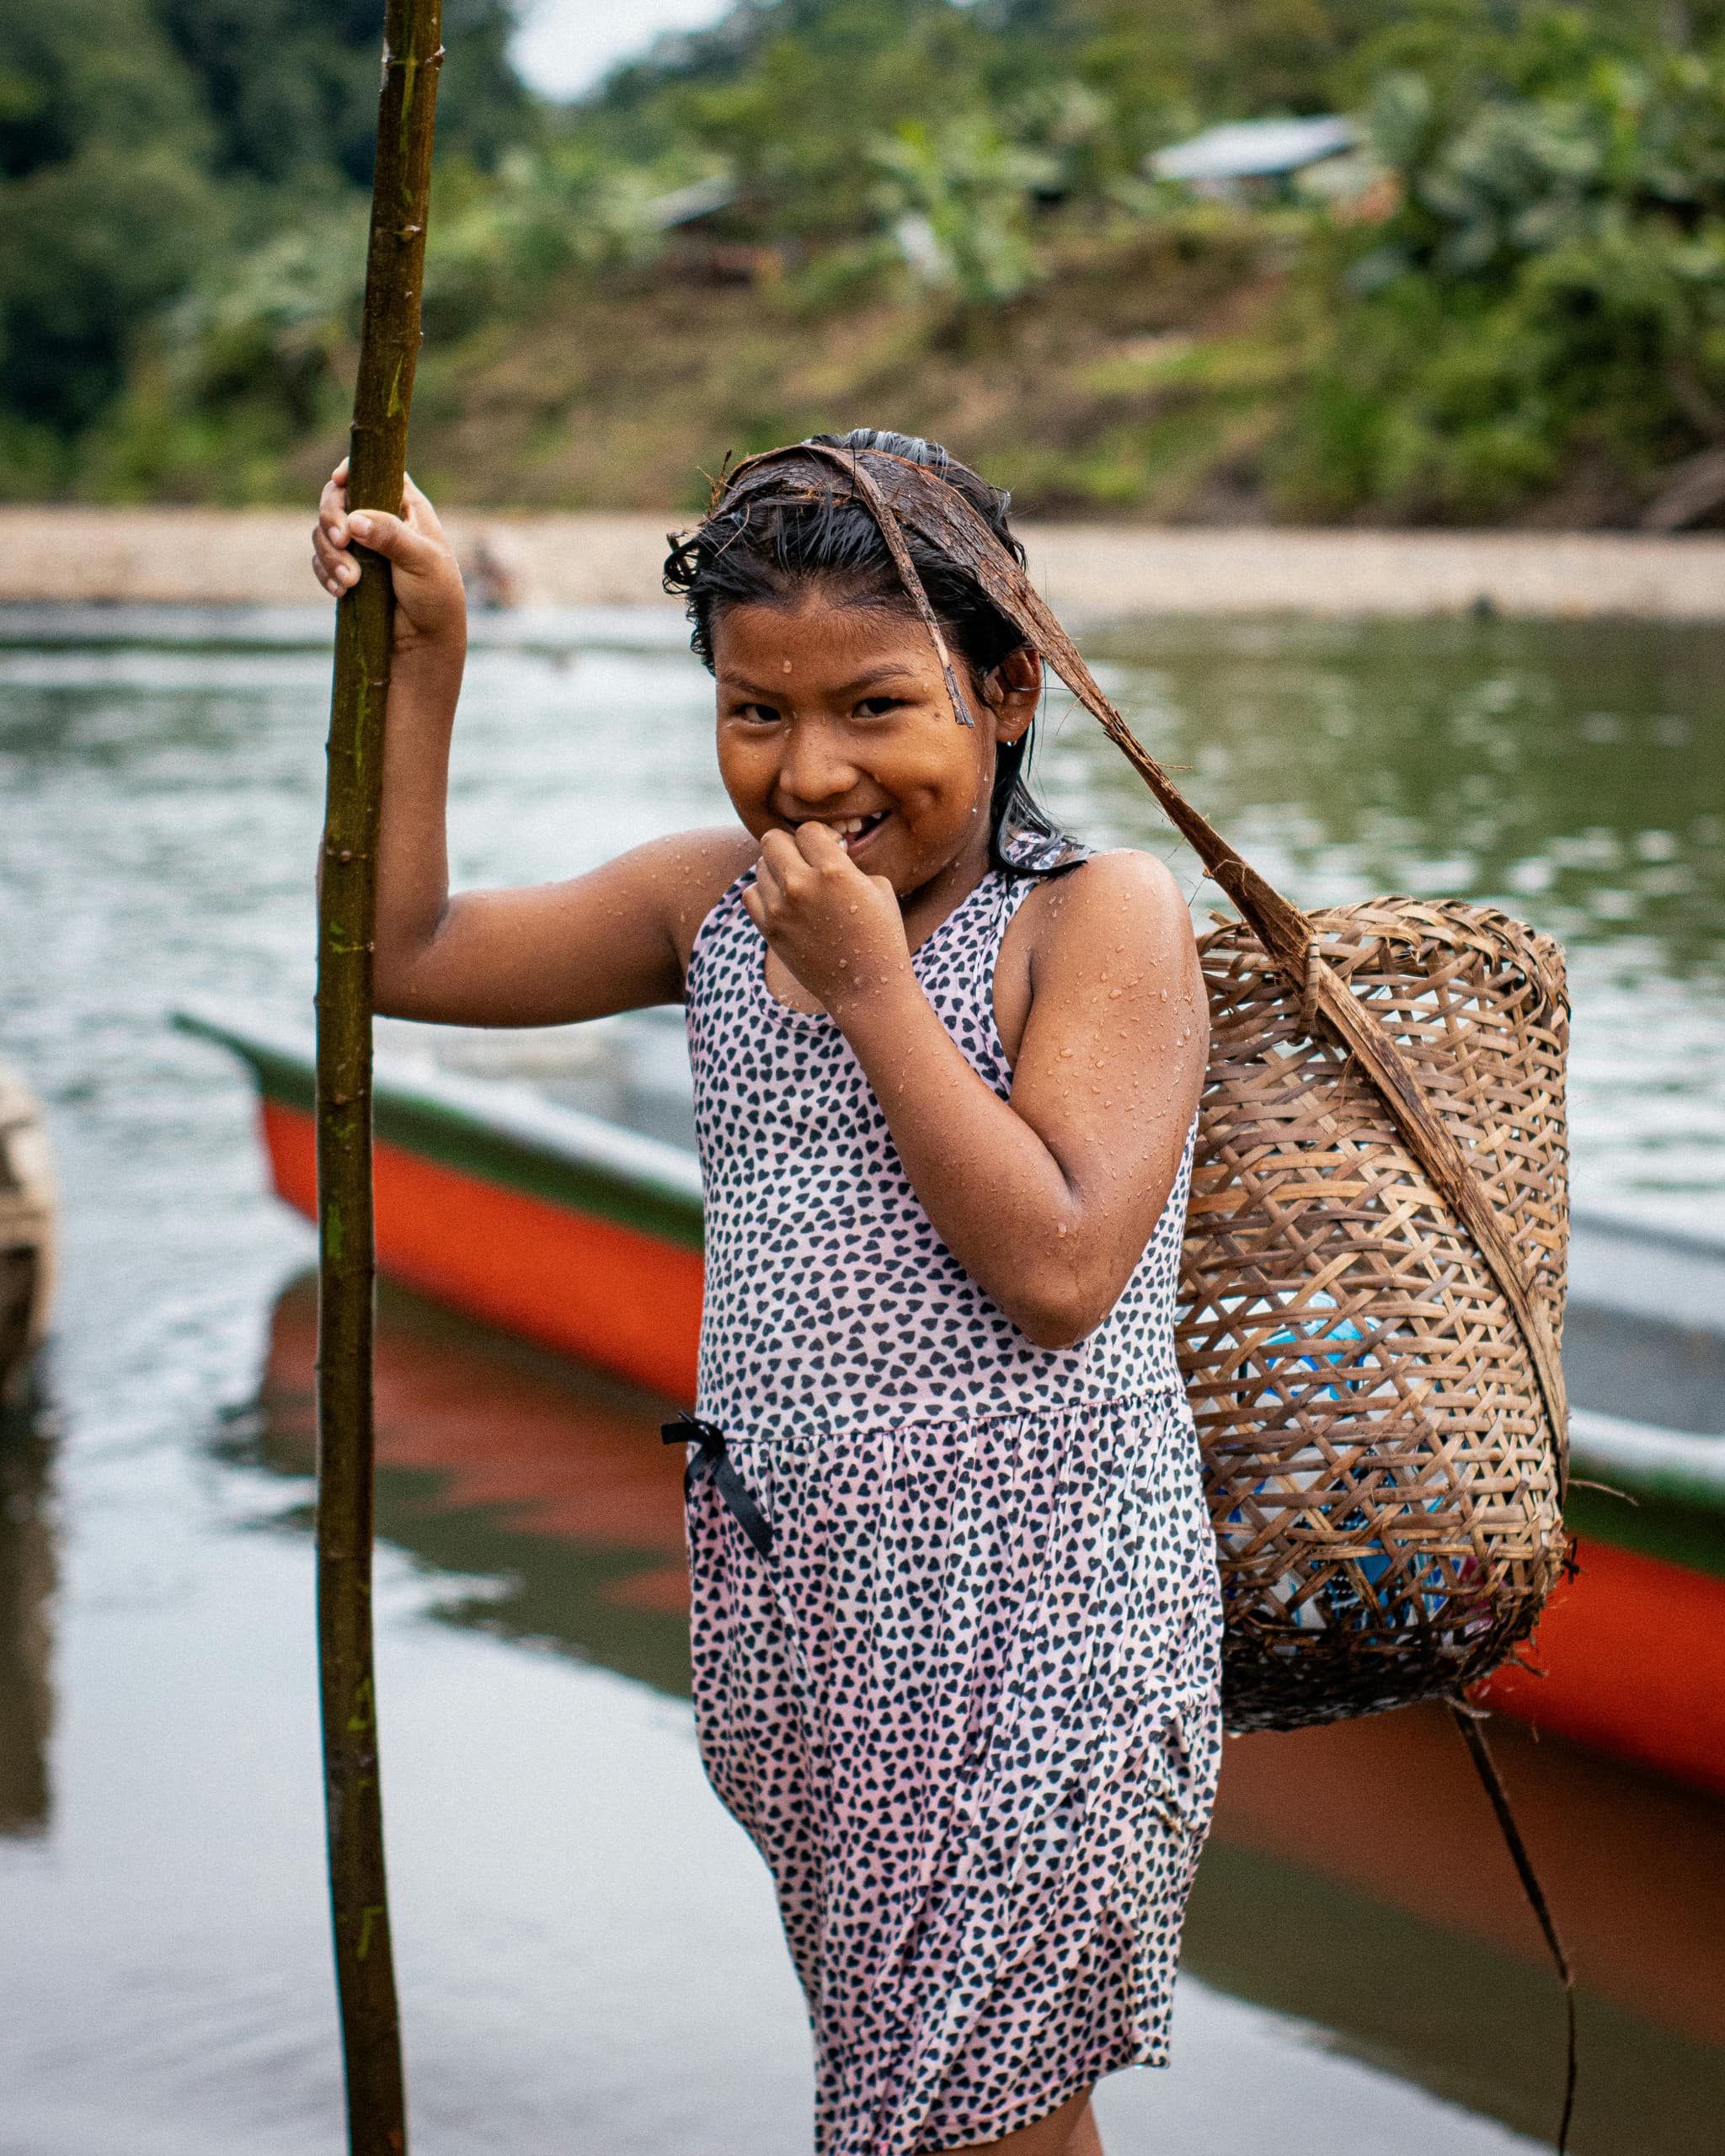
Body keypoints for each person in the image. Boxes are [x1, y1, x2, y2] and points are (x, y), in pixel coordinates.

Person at [311, 428, 1223, 2156]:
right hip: (798, 1604)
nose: (810, 773)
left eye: (877, 706)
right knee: (915, 2095)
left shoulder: (1092, 916)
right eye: (755, 711)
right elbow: (389, 955)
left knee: (962, 2108)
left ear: (1004, 687)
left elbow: (1054, 1267)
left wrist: (875, 990)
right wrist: (429, 661)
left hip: (1041, 1615)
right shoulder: (702, 906)